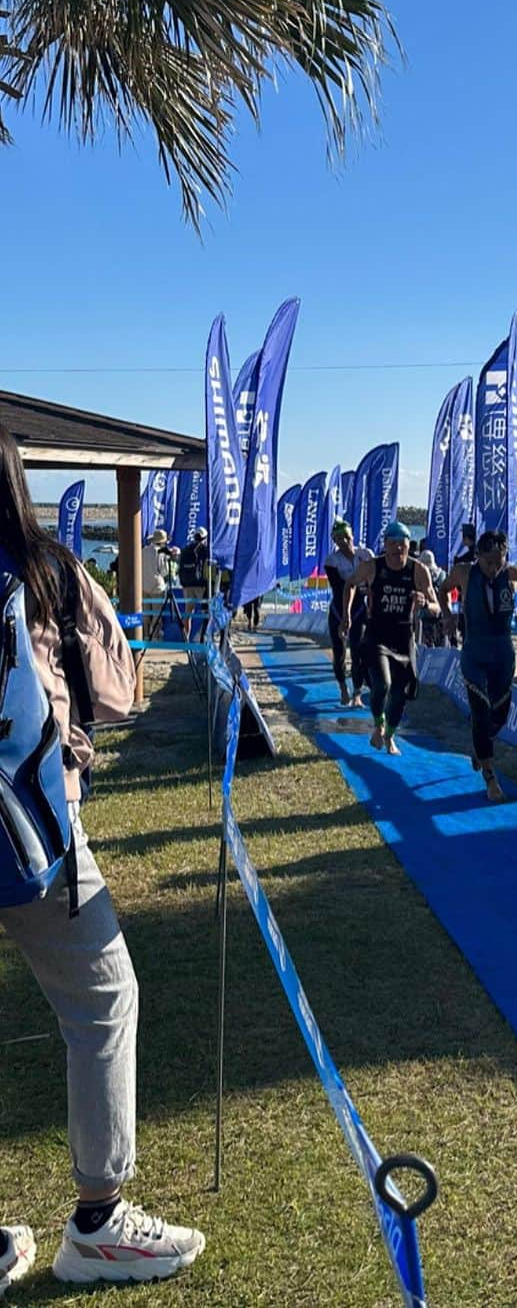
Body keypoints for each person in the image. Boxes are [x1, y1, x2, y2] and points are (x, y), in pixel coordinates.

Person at [0, 423, 205, 1290]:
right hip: (33, 833)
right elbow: (122, 693)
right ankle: (99, 1218)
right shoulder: (45, 570)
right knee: (103, 997)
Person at [439, 531, 517, 802]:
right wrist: (447, 616)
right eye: (488, 563)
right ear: (478, 558)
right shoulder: (463, 572)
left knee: (500, 716)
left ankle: (479, 748)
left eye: (499, 561)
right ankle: (490, 777)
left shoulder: (514, 574)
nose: (494, 568)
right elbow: (441, 590)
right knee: (481, 713)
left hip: (503, 653)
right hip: (474, 652)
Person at [344, 521, 438, 754]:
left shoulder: (418, 570)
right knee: (382, 684)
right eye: (392, 545)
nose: (397, 550)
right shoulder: (372, 567)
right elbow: (350, 584)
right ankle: (378, 726)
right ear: (385, 545)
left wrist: (425, 604)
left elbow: (436, 607)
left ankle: (390, 736)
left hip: (404, 637)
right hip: (377, 634)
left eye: (402, 545)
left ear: (408, 546)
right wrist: (346, 614)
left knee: (400, 693)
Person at [325, 520, 372, 706]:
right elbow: (340, 588)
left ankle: (357, 692)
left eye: (346, 537)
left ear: (352, 536)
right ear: (334, 541)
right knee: (339, 653)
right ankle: (343, 687)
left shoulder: (365, 554)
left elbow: (372, 581)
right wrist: (345, 616)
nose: (344, 541)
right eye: (338, 538)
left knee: (358, 652)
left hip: (360, 608)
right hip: (339, 608)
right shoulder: (332, 560)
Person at [177, 525, 209, 640]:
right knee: (207, 613)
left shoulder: (186, 549)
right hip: (200, 585)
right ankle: (203, 638)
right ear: (204, 538)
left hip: (187, 585)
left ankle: (186, 638)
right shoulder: (205, 550)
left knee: (188, 613)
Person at [417, 549, 447, 647]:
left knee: (424, 649)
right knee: (441, 649)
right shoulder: (442, 575)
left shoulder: (421, 575)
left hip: (424, 616)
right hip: (440, 615)